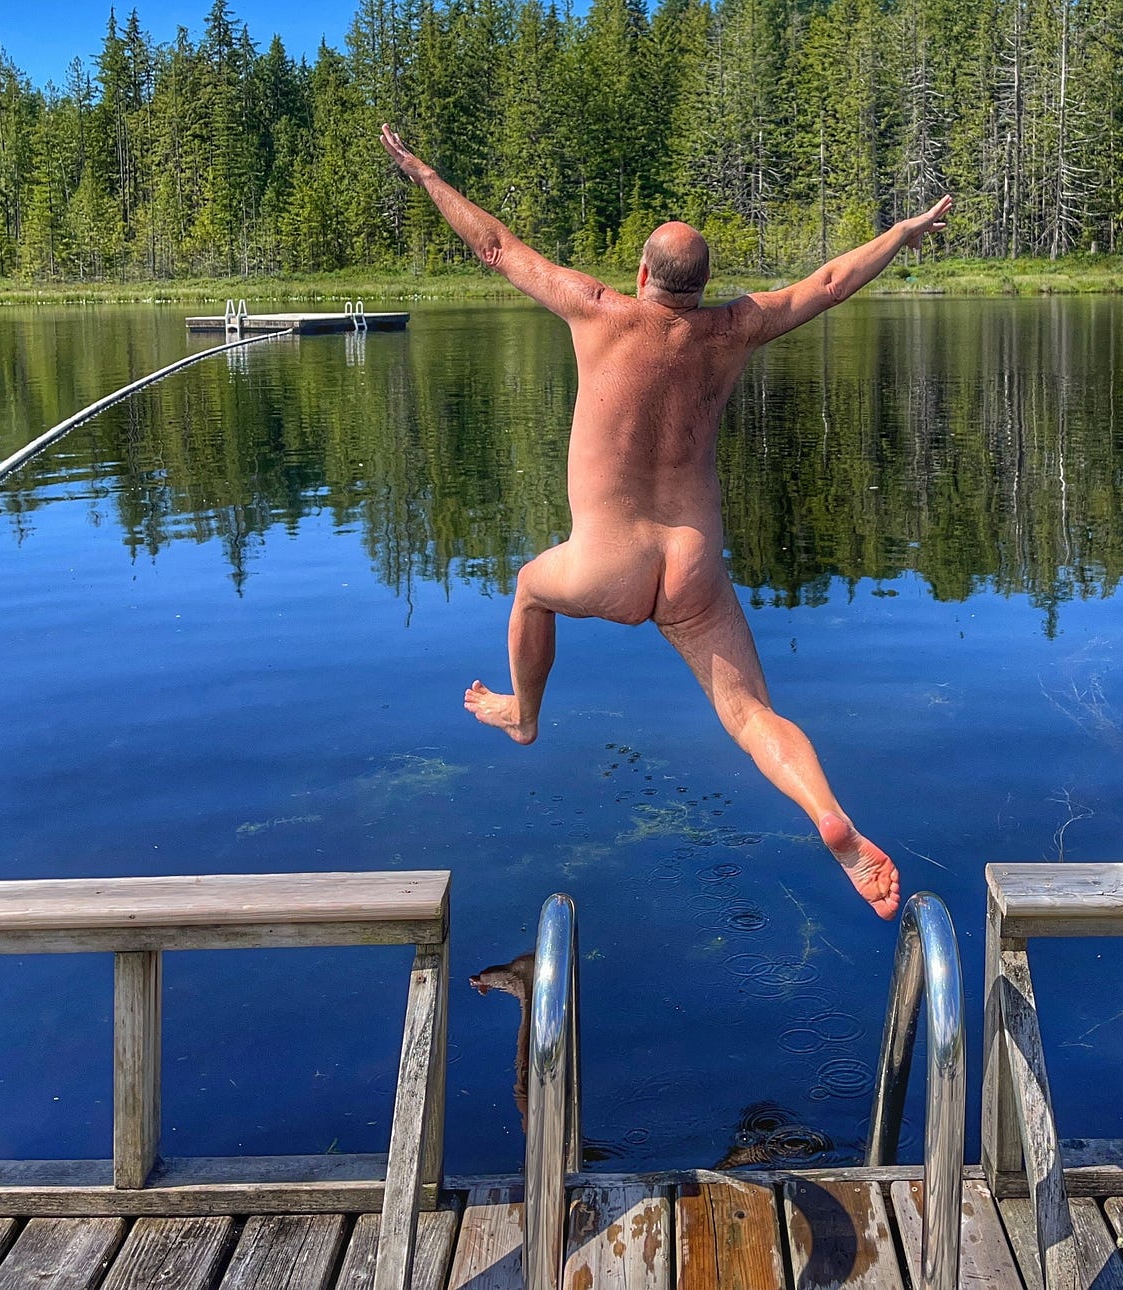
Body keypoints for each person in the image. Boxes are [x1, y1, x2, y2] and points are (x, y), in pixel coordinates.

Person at [381, 123, 953, 920]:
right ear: (702, 280)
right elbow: (826, 285)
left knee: (530, 589)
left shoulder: (597, 309)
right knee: (753, 716)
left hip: (603, 562)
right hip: (691, 563)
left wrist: (426, 174)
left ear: (642, 271)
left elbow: (496, 248)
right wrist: (903, 229)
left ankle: (525, 714)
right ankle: (827, 812)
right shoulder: (734, 328)